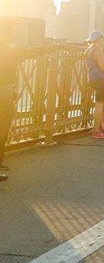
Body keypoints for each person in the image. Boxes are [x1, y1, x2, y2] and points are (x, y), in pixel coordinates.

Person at [0, 19, 62, 179]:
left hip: (6, 91)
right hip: (4, 91)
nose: (14, 34)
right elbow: (31, 52)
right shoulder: (8, 50)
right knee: (2, 129)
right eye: (12, 31)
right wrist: (54, 47)